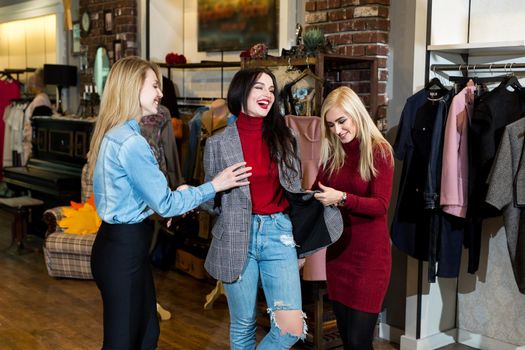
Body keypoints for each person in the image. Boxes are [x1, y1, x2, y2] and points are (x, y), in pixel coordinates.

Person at [86, 56, 252, 350]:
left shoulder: (118, 134)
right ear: (132, 87)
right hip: (123, 251)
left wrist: (162, 203)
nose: (160, 93)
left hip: (118, 247)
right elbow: (165, 203)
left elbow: (130, 195)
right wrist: (215, 185)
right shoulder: (131, 142)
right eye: (154, 86)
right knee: (125, 342)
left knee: (146, 334)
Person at [202, 67, 307, 349]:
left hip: (279, 234)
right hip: (236, 236)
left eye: (271, 90)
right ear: (241, 92)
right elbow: (210, 202)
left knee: (290, 329)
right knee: (243, 325)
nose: (267, 94)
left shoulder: (286, 138)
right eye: (259, 87)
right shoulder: (217, 143)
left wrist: (302, 247)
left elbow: (295, 194)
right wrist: (213, 186)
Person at [312, 86, 394, 350]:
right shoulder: (333, 153)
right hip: (338, 256)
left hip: (369, 261)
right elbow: (319, 191)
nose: (337, 130)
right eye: (331, 125)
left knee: (359, 343)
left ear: (356, 114)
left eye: (342, 121)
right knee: (348, 341)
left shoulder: (379, 150)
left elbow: (380, 206)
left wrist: (343, 198)